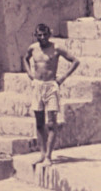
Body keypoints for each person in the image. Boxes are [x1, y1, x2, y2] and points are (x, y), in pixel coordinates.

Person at [23, 23, 79, 167]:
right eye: (39, 35)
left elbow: (75, 61)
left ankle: (48, 156)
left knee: (51, 123)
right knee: (39, 123)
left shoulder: (56, 48)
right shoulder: (33, 48)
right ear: (35, 35)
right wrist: (29, 73)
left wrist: (63, 78)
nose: (42, 37)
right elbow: (25, 58)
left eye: (45, 34)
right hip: (37, 86)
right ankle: (42, 154)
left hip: (51, 86)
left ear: (49, 34)